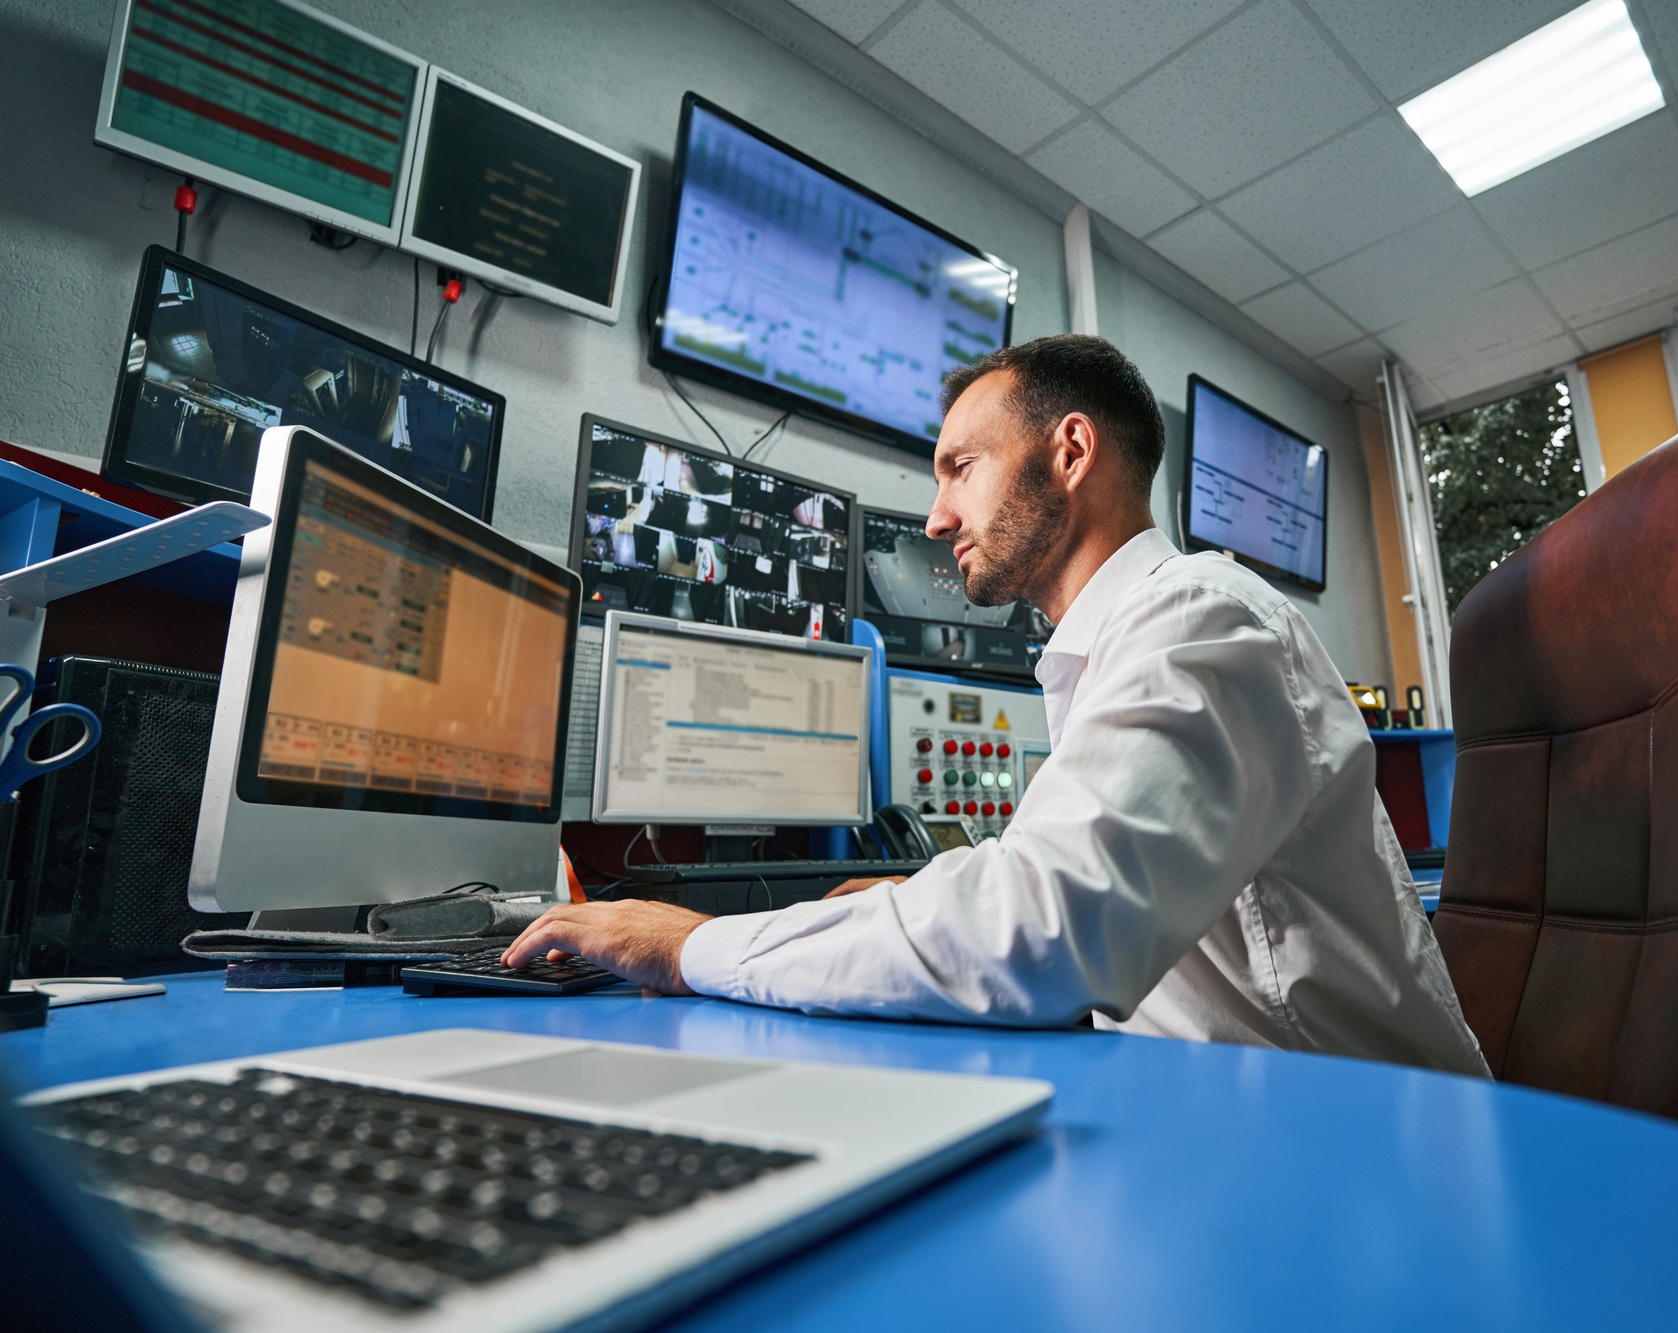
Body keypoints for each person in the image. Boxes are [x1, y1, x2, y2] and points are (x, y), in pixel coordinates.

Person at [507, 335, 1489, 1075]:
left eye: (960, 468)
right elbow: (1064, 879)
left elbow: (1043, 928)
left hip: (1348, 1166)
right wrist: (915, 898)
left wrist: (691, 945)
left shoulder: (1201, 615)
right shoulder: (1123, 647)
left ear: (1068, 452)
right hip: (1240, 1127)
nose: (936, 518)